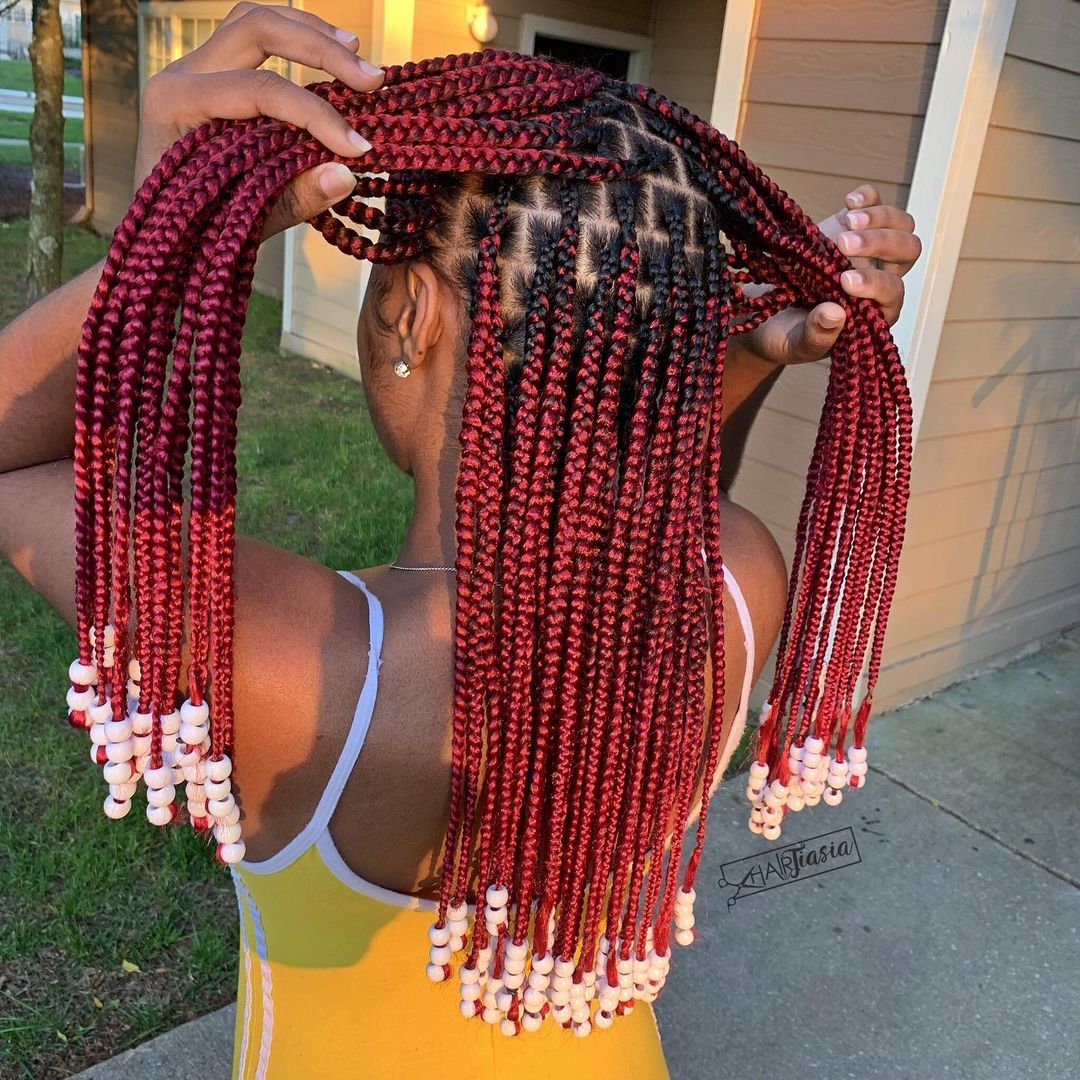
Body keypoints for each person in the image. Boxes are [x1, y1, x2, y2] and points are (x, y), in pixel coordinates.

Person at [0, 6, 921, 1078]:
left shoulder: (307, 677)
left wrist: (166, 232)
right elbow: (660, 509)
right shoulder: (734, 583)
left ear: (409, 316)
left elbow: (13, 461)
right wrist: (745, 359)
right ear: (680, 348)